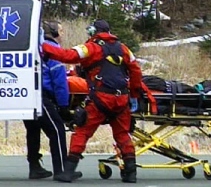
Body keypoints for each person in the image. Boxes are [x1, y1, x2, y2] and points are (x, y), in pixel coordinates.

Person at [41, 19, 143, 183]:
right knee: (123, 135)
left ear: (94, 32)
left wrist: (43, 47)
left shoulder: (91, 47)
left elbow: (68, 56)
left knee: (82, 132)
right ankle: (131, 173)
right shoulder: (124, 49)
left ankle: (68, 171)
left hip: (101, 99)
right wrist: (135, 94)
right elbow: (136, 70)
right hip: (122, 99)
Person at [23, 21, 81, 180]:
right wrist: (63, 106)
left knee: (33, 130)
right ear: (54, 32)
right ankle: (61, 170)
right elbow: (60, 81)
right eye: (61, 30)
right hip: (41, 96)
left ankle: (34, 167)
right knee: (57, 130)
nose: (62, 34)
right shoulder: (53, 50)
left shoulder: (36, 47)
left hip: (26, 94)